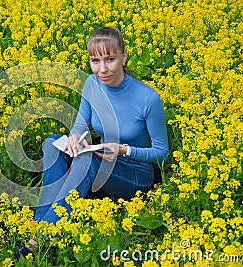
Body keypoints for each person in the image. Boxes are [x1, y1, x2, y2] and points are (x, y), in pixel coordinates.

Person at [15, 26, 169, 259]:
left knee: (86, 161)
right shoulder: (92, 84)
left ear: (124, 56)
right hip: (101, 157)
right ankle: (43, 225)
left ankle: (40, 240)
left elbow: (162, 152)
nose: (102, 69)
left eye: (110, 59)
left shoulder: (148, 98)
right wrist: (76, 138)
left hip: (135, 173)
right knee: (52, 142)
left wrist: (124, 150)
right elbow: (80, 124)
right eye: (95, 60)